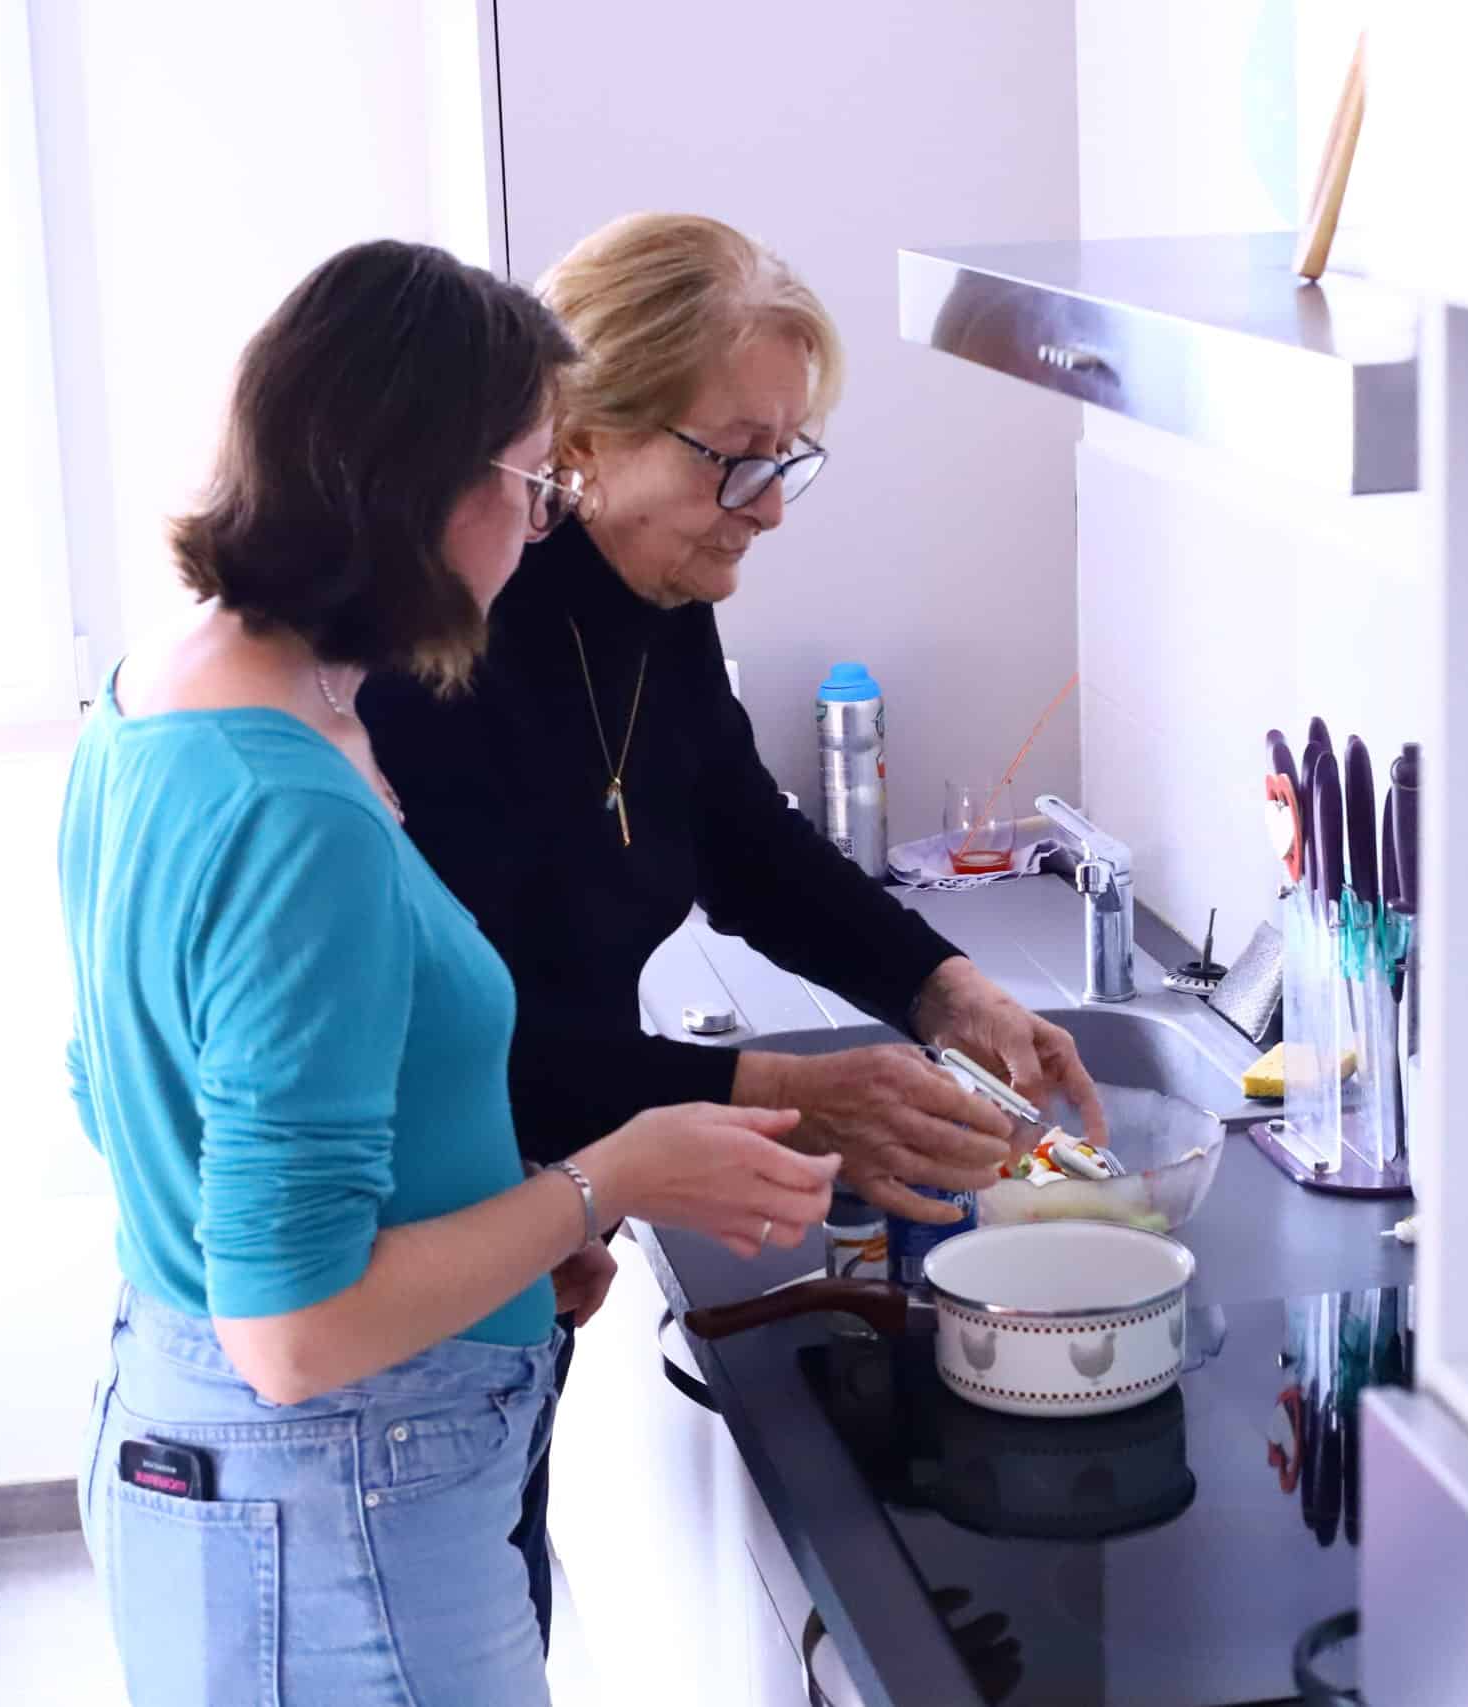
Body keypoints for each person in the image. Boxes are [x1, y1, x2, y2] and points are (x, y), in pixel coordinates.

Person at [60, 239, 839, 1707]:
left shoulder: (152, 700)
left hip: (221, 1448)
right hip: (334, 1494)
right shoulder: (295, 811)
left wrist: (501, 1230)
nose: (541, 530)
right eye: (535, 484)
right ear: (427, 488)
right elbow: (296, 1331)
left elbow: (129, 1093)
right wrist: (606, 1179)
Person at [360, 211, 1108, 1648]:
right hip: (411, 1266)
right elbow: (467, 1044)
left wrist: (942, 985)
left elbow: (737, 833)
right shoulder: (442, 646)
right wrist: (777, 1094)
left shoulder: (656, 598)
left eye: (788, 459)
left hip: (524, 1246)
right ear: (585, 435)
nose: (767, 506)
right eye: (735, 458)